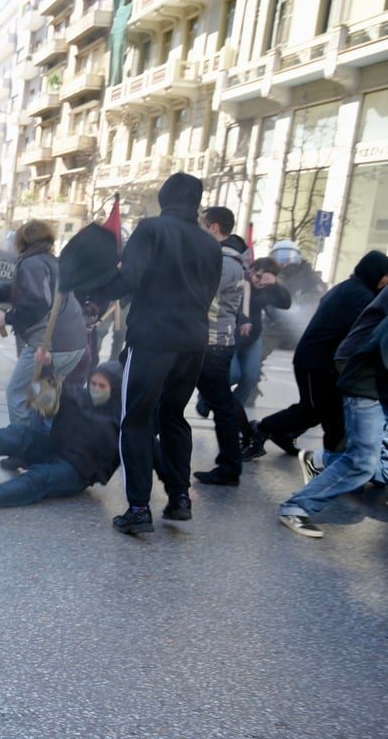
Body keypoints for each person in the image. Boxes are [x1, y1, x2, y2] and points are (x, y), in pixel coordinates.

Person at [93, 172, 221, 534]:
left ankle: (138, 507)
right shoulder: (210, 244)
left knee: (135, 419)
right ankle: (179, 499)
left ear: (165, 197)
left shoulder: (151, 229)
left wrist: (97, 288)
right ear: (196, 203)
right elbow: (208, 293)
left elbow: (129, 278)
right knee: (174, 417)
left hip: (152, 339)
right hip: (193, 342)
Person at [243, 250, 388, 462]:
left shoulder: (349, 288)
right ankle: (262, 429)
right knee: (313, 408)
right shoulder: (361, 296)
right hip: (315, 362)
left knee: (327, 408)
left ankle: (309, 444)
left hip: (322, 360)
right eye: (385, 274)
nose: (386, 280)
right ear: (374, 272)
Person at [278, 293, 388, 538]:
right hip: (367, 388)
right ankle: (296, 506)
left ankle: (322, 462)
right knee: (362, 463)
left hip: (377, 387)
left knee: (375, 464)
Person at [0, 361, 123, 509]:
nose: (95, 389)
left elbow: (142, 451)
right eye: (93, 383)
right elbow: (51, 389)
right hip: (53, 449)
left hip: (76, 472)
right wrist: (46, 365)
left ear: (114, 389)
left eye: (102, 386)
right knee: (20, 433)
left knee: (40, 478)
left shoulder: (120, 419)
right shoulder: (78, 395)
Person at [0, 219, 87, 427]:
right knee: (43, 398)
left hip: (49, 344)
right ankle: (44, 445)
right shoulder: (51, 261)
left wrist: (7, 317)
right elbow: (30, 292)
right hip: (74, 343)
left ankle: (23, 447)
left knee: (17, 393)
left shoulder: (31, 263)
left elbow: (37, 302)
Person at [192, 206, 247, 486]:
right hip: (210, 340)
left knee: (221, 404)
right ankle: (231, 463)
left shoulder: (225, 263)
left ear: (213, 228)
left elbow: (198, 294)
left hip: (212, 342)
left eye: (202, 224)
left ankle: (230, 466)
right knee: (221, 402)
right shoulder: (225, 259)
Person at [227, 257, 291, 450]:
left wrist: (275, 284)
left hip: (253, 338)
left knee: (250, 377)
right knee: (233, 374)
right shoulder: (241, 280)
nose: (259, 279)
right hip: (231, 335)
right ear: (252, 269)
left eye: (265, 276)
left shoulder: (269, 289)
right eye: (258, 273)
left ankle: (231, 416)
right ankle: (209, 398)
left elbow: (286, 303)